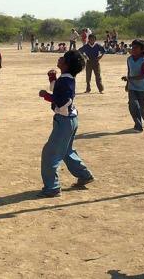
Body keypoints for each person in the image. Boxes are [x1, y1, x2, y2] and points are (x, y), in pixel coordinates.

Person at [38, 50, 94, 197]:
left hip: (64, 120)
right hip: (69, 120)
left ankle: (52, 188)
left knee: (50, 153)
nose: (60, 58)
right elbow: (58, 90)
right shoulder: (65, 78)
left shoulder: (66, 81)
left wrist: (47, 96)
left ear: (67, 64)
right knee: (66, 151)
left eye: (63, 58)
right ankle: (84, 175)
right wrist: (52, 78)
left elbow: (63, 99)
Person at [122, 39, 144, 132]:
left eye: (136, 48)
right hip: (132, 87)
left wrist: (129, 79)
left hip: (143, 88)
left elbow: (143, 76)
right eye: (132, 47)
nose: (133, 49)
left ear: (142, 50)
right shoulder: (129, 59)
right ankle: (138, 125)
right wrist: (127, 83)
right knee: (133, 105)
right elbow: (129, 72)